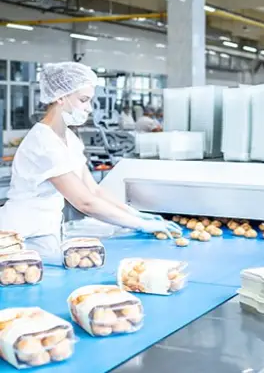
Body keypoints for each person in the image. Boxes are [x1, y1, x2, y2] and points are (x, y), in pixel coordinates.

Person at [0, 62, 180, 264]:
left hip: (45, 231)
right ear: (60, 97)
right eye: (83, 100)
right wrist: (138, 224)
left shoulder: (69, 138)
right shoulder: (44, 143)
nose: (89, 108)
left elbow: (93, 190)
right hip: (19, 236)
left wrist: (133, 213)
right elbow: (84, 202)